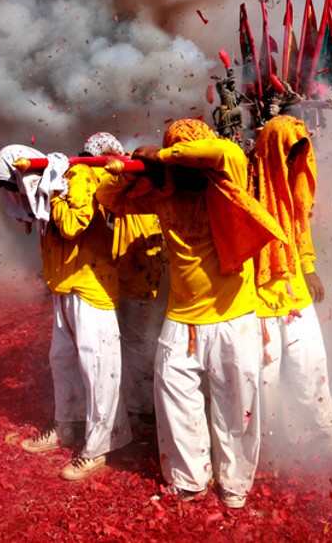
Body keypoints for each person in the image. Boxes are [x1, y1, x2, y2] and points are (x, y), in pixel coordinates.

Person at [96, 119, 285, 509]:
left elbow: (223, 151)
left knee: (237, 406)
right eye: (176, 153)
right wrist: (130, 173)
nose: (184, 164)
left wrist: (161, 155)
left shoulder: (227, 175)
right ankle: (190, 477)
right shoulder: (164, 195)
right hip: (182, 318)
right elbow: (109, 199)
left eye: (186, 154)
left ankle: (234, 484)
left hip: (234, 315)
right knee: (175, 401)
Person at [0, 143, 131, 481]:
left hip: (90, 289)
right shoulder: (49, 183)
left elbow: (72, 227)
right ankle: (67, 426)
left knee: (98, 367)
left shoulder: (76, 176)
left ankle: (100, 446)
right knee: (63, 361)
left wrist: (55, 193)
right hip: (65, 288)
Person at [252, 116, 332, 467]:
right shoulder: (248, 182)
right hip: (258, 300)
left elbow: (300, 229)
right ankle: (272, 451)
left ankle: (327, 442)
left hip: (295, 294)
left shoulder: (293, 189)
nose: (295, 162)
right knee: (264, 381)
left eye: (299, 154)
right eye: (289, 153)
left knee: (311, 368)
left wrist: (309, 268)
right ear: (274, 150)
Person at [81, 133, 166, 429]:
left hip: (140, 276)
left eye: (108, 156)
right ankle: (139, 403)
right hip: (127, 276)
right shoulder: (110, 185)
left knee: (138, 343)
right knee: (135, 342)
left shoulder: (135, 183)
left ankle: (142, 408)